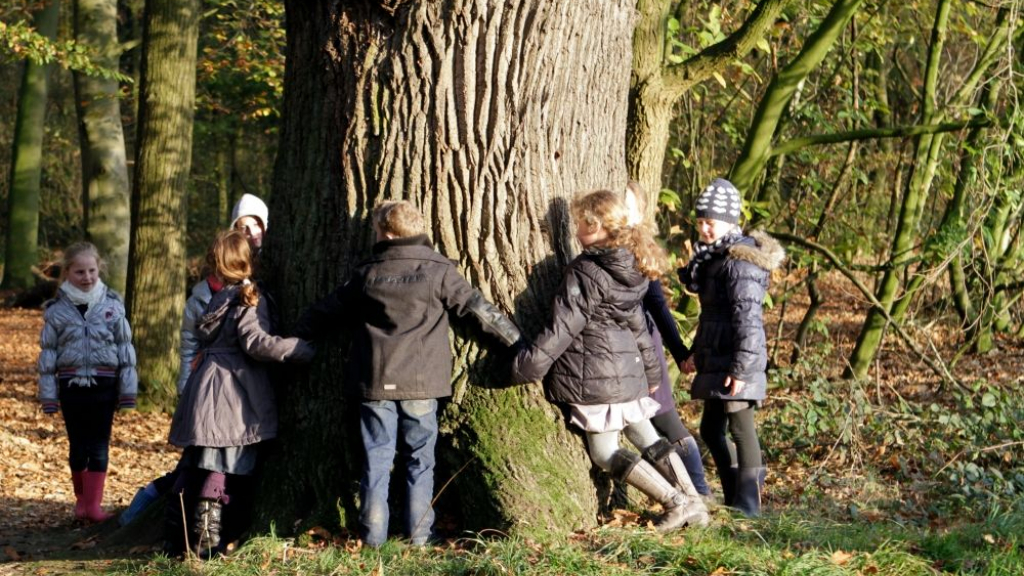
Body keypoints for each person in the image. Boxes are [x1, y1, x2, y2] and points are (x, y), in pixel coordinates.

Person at [294, 200, 522, 548]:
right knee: (420, 460)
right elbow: (479, 310)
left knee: (376, 459)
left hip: (375, 381)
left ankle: (373, 537)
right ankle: (419, 536)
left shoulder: (367, 273)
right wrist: (517, 342)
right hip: (420, 384)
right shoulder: (437, 270)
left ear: (386, 232)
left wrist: (292, 333)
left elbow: (327, 310)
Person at [511, 190, 709, 532]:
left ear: (597, 225)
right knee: (648, 437)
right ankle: (696, 502)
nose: (574, 230)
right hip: (627, 373)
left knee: (605, 452)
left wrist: (528, 365)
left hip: (597, 375)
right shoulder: (631, 262)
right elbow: (637, 324)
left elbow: (563, 326)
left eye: (580, 223)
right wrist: (650, 371)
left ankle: (677, 503)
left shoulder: (588, 270)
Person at [166, 230, 315, 558]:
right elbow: (255, 342)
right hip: (233, 394)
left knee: (205, 463)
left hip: (208, 389)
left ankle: (185, 534)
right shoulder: (247, 297)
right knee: (224, 465)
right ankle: (208, 538)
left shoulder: (219, 297)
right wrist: (298, 349)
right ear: (249, 261)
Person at [678, 178, 784, 517]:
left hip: (738, 358)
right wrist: (696, 350)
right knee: (710, 429)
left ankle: (749, 506)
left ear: (730, 220)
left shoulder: (741, 261)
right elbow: (712, 316)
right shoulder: (713, 258)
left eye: (711, 221)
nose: (705, 228)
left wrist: (741, 369)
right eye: (700, 221)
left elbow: (748, 320)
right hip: (718, 353)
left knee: (740, 425)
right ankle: (733, 496)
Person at [37, 242, 138, 523]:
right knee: (77, 446)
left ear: (99, 269)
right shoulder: (56, 311)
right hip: (71, 386)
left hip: (104, 386)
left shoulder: (112, 305)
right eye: (80, 271)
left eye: (91, 270)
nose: (87, 277)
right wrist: (48, 396)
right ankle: (81, 502)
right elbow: (48, 354)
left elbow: (125, 349)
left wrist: (128, 390)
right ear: (67, 272)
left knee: (98, 445)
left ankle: (93, 505)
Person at [623, 181, 711, 498]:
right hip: (619, 350)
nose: (623, 209)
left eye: (629, 204)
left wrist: (680, 352)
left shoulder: (639, 249)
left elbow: (657, 304)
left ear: (640, 212)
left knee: (665, 421)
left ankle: (701, 494)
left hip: (644, 346)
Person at [178, 193, 269, 393]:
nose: (251, 232)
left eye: (256, 224)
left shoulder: (270, 267)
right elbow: (190, 343)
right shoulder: (204, 296)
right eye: (243, 227)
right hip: (217, 378)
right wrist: (185, 388)